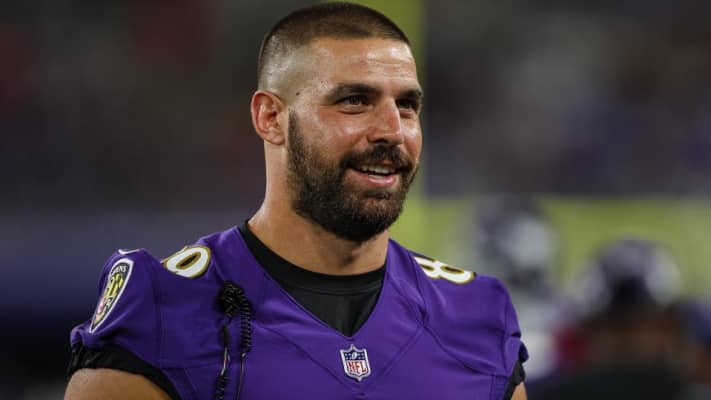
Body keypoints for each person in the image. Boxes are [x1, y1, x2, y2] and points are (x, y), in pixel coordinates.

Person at [64, 3, 528, 399]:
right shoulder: (165, 311)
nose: (392, 130)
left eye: (407, 105)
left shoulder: (474, 317)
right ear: (270, 117)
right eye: (354, 100)